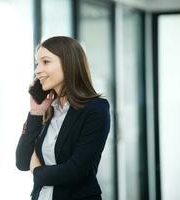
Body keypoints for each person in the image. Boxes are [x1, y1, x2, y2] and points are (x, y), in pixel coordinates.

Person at [16, 36, 110, 200]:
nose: (37, 70)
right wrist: (36, 113)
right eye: (37, 63)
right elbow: (23, 161)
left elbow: (75, 171)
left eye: (45, 62)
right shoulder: (48, 109)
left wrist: (37, 171)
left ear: (68, 64)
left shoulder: (96, 109)